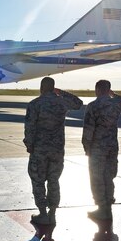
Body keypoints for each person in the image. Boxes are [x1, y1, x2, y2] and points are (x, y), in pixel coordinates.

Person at [24, 77, 82, 225]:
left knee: (38, 181)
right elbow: (78, 103)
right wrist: (61, 93)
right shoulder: (61, 102)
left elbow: (29, 127)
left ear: (41, 87)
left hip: (40, 150)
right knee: (53, 180)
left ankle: (43, 213)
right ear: (53, 88)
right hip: (57, 150)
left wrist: (29, 144)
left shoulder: (35, 104)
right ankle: (53, 212)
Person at [82, 80, 121, 220]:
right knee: (109, 176)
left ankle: (102, 208)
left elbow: (88, 129)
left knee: (97, 177)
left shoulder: (93, 106)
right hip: (112, 146)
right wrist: (114, 95)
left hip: (97, 148)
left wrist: (86, 147)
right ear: (108, 89)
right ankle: (108, 204)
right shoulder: (115, 103)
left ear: (97, 89)